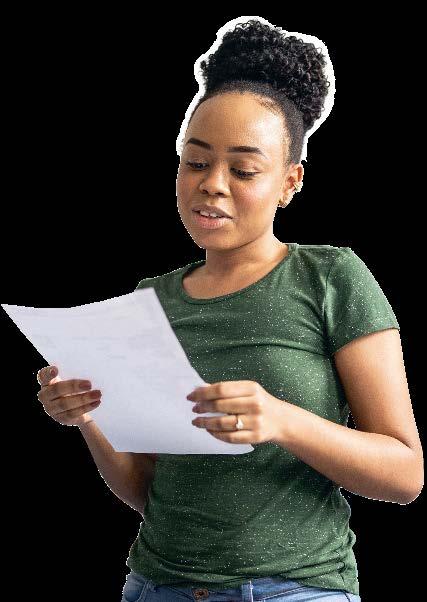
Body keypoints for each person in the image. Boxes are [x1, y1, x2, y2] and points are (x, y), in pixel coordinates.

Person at [37, 17, 422, 602]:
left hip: (293, 590)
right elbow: (148, 491)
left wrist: (284, 421)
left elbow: (405, 475)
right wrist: (89, 417)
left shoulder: (330, 277)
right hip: (155, 587)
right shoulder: (149, 300)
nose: (212, 184)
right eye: (195, 162)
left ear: (289, 182)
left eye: (243, 170)